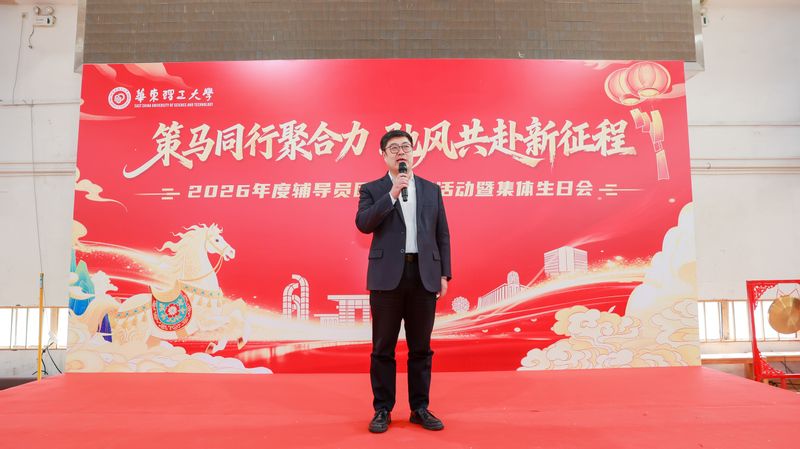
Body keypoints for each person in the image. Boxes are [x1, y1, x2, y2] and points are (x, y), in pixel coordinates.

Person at [355, 129, 452, 433]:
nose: (401, 152)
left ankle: (419, 408)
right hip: (387, 278)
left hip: (423, 275)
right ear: (383, 155)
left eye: (406, 147)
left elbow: (442, 234)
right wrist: (393, 194)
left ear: (413, 152)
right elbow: (364, 224)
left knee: (421, 348)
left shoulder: (431, 189)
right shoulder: (372, 189)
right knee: (383, 347)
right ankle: (382, 409)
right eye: (394, 148)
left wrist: (444, 273)